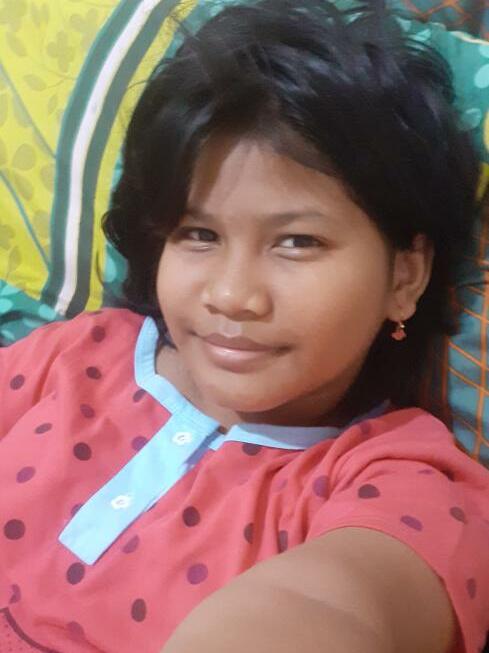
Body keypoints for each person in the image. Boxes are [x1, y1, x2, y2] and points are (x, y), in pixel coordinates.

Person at [1, 0, 488, 651]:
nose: (232, 296)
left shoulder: (402, 478)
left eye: (297, 242)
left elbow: (334, 605)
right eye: (198, 234)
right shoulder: (76, 352)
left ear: (405, 276)